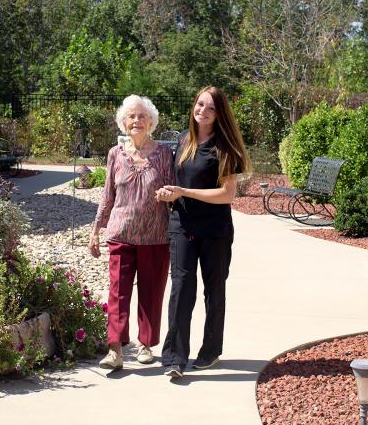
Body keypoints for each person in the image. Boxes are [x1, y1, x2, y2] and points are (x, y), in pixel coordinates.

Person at [155, 86, 250, 378]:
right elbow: (178, 180)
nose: (203, 111)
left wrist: (184, 191)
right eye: (200, 104)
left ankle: (210, 352)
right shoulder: (184, 140)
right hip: (182, 226)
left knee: (214, 291)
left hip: (215, 230)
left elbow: (227, 194)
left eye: (211, 108)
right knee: (181, 289)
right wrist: (168, 193)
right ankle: (174, 359)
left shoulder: (225, 148)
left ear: (220, 114)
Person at [89, 95, 175, 370]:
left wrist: (168, 195)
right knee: (117, 293)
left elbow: (174, 192)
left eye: (142, 116)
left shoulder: (164, 155)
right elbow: (107, 196)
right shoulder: (115, 154)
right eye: (131, 116)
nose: (136, 120)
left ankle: (145, 345)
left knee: (152, 293)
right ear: (123, 122)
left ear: (151, 122)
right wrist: (96, 230)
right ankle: (114, 350)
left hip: (155, 236)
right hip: (121, 234)